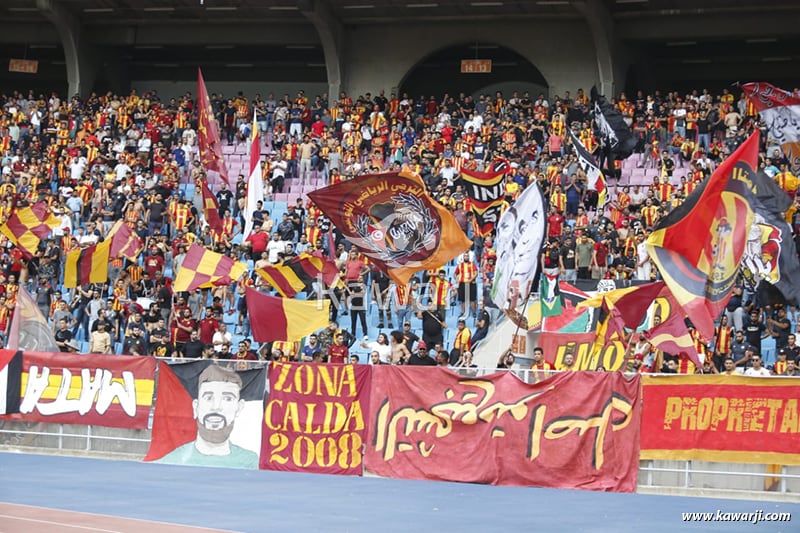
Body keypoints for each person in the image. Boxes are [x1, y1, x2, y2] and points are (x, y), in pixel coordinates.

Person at [158, 364, 258, 468]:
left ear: (239, 407)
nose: (216, 407)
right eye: (208, 398)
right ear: (195, 406)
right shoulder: (171, 461)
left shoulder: (251, 462)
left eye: (227, 399)